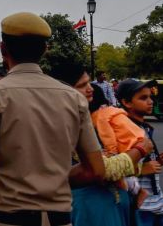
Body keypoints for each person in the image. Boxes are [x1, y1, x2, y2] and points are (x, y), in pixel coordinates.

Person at [0, 12, 105, 226]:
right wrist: (54, 182)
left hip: (8, 217)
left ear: (3, 49)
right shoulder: (73, 98)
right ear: (45, 49)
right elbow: (96, 170)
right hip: (59, 218)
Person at [56, 66, 153, 226]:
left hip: (111, 202)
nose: (90, 89)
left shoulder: (91, 118)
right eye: (82, 85)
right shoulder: (66, 124)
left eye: (89, 83)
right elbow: (100, 169)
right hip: (91, 205)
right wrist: (140, 150)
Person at [117, 78, 163, 226]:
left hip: (156, 203)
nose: (150, 101)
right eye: (143, 98)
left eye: (150, 96)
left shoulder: (144, 127)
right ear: (126, 102)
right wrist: (141, 170)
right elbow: (113, 167)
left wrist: (158, 160)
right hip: (140, 206)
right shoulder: (123, 130)